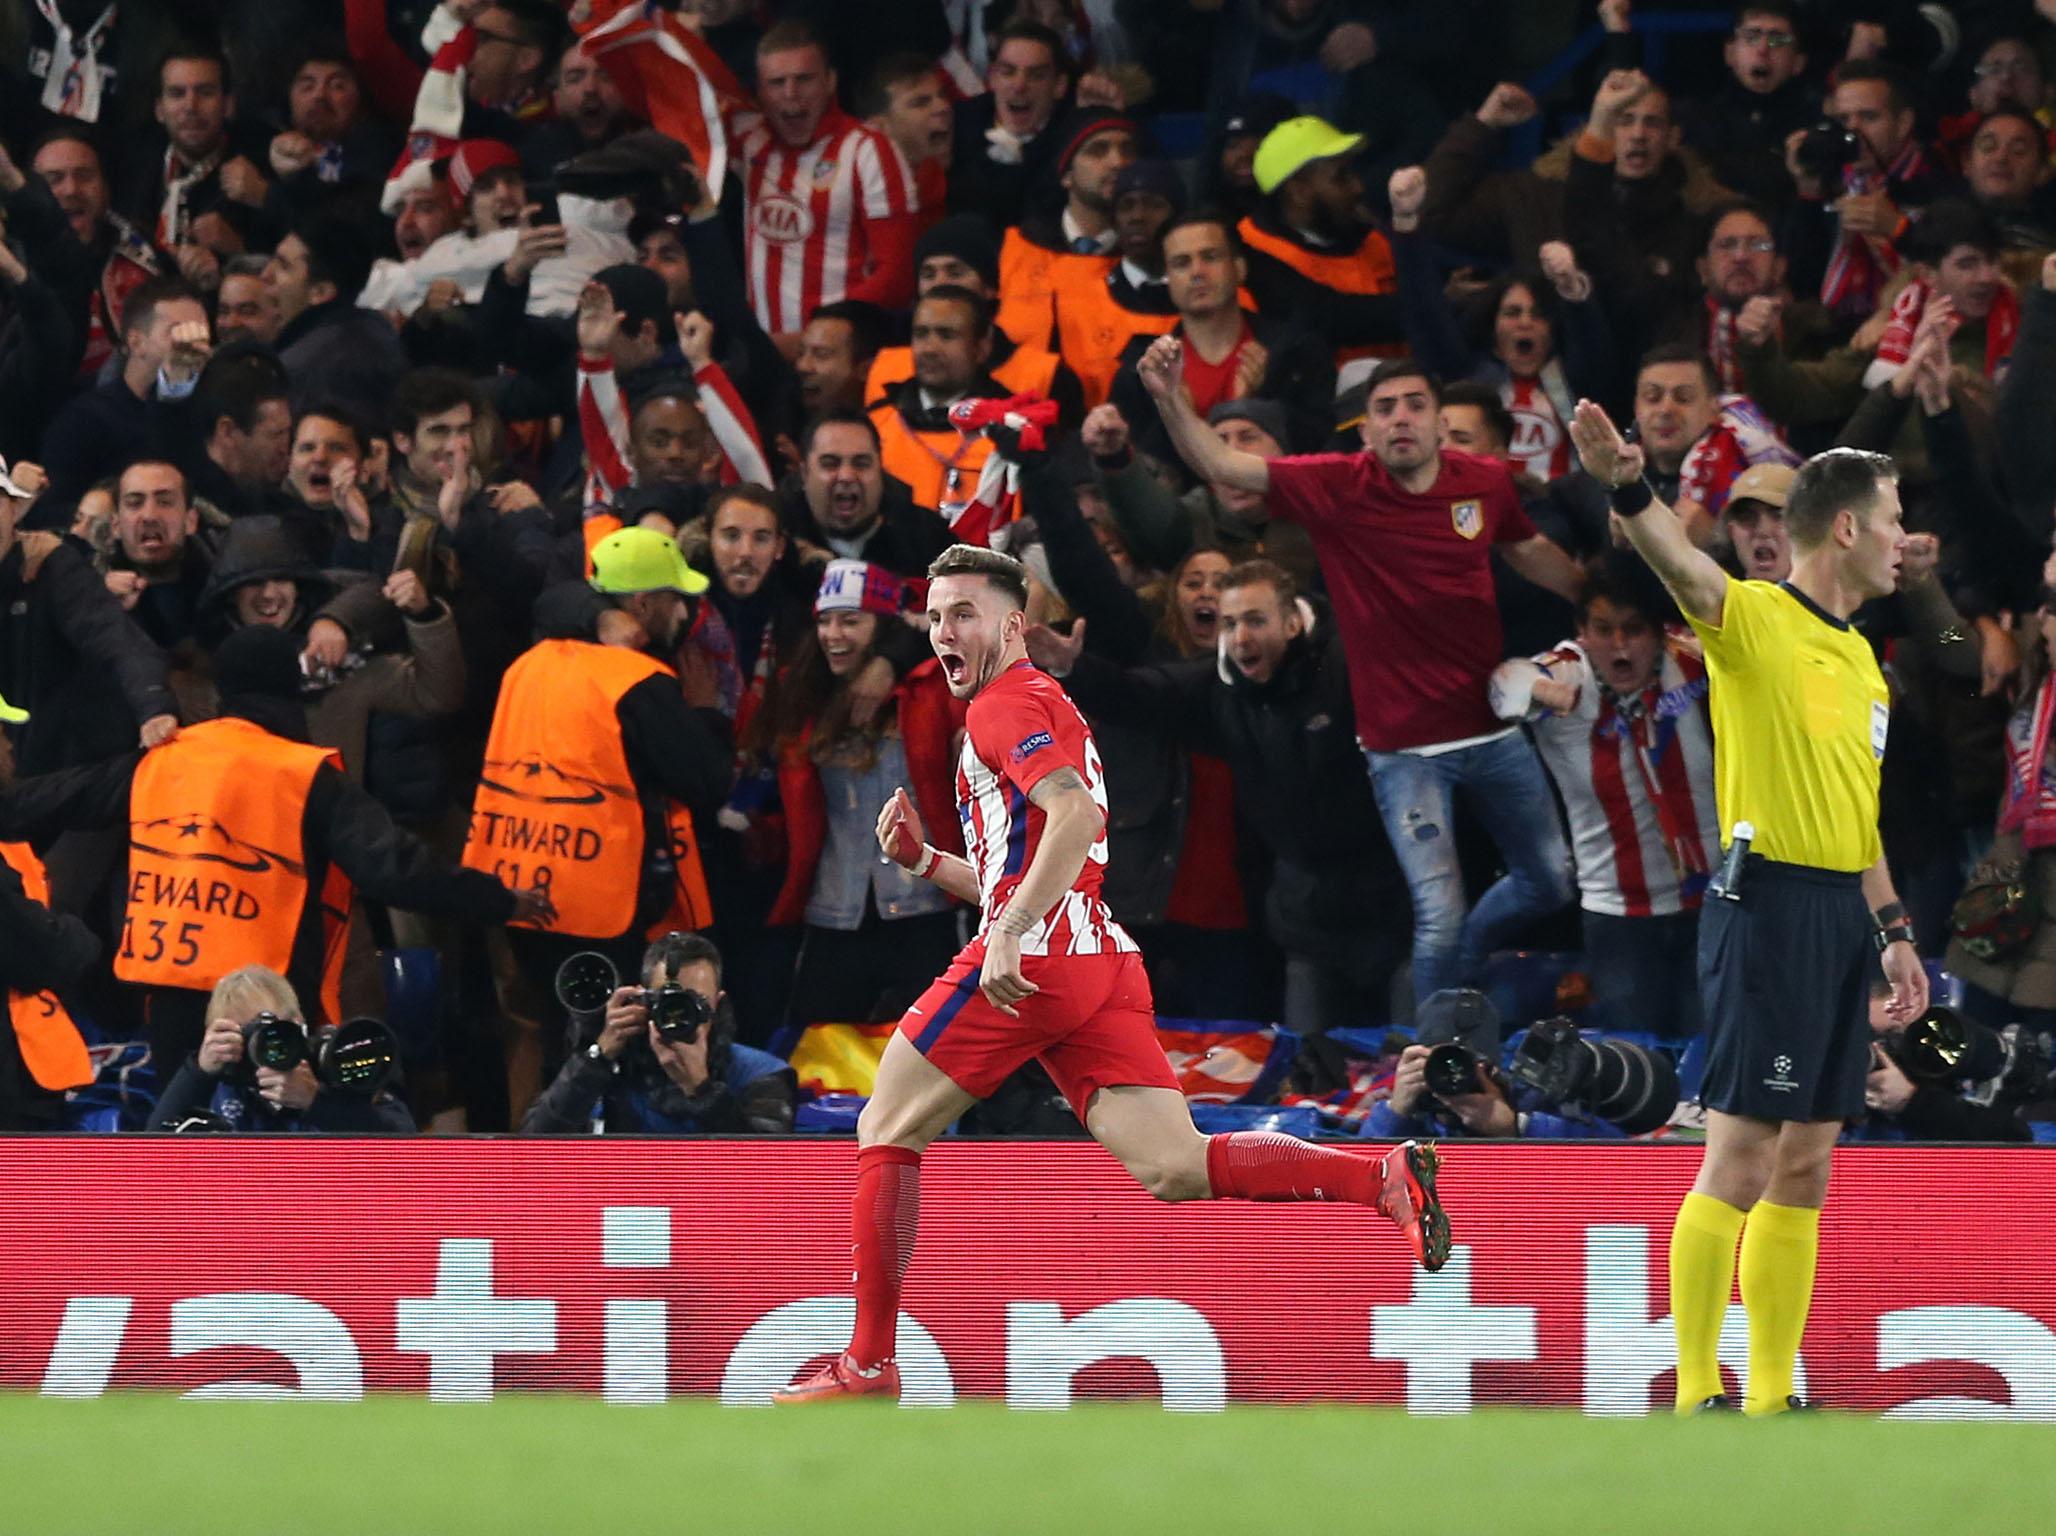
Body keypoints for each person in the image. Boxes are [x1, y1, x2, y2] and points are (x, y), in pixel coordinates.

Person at [772, 544, 1450, 1404]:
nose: (944, 631)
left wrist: (1011, 931)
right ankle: (1376, 1176)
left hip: (1038, 955)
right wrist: (933, 862)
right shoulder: (1044, 702)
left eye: (965, 614)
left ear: (1015, 625)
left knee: (887, 1125)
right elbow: (1041, 855)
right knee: (1174, 1165)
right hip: (1095, 956)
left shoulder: (1001, 703)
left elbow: (1075, 813)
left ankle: (866, 1366)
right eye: (935, 616)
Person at [1568, 406, 1927, 1416]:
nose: (1905, 538)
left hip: (1834, 917)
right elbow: (1684, 570)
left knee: (1807, 1159)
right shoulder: (1756, 618)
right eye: (1893, 517)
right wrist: (1629, 487)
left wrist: (1892, 929)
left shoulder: (1862, 660)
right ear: (1848, 528)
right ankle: (1692, 1392)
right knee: (1742, 1152)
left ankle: (1770, 1398)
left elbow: (1855, 812)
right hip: (1762, 906)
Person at [1141, 347, 1579, 1004]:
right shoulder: (1340, 484)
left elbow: (1528, 549)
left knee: (1551, 881)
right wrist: (1171, 398)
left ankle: (1466, 958)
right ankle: (1434, 1060)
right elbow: (1219, 464)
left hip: (1490, 725)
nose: (1400, 419)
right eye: (1384, 409)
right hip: (1403, 750)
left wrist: (1598, 600)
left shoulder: (1483, 482)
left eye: (1414, 405)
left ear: (1437, 421)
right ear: (1366, 429)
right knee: (1438, 916)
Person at [0, 624, 547, 1070]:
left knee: (185, 1157)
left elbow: (39, 802)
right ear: (290, 691)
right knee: (272, 1168)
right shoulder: (303, 775)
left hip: (172, 999)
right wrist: (501, 900)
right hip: (268, 1002)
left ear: (221, 693)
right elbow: (399, 871)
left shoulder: (161, 760)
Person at [1490, 552, 1718, 1039]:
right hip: (1618, 916)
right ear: (1582, 631)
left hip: (1711, 905)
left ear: (1659, 631)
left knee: (1709, 1056)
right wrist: (1541, 691)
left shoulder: (1696, 665)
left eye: (1634, 629)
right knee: (1636, 1065)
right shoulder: (1568, 672)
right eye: (1604, 629)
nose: (1619, 646)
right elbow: (1505, 683)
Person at [759, 560, 965, 1028]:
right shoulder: (802, 694)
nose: (835, 634)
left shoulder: (930, 688)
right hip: (834, 911)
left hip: (926, 907)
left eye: (851, 620)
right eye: (826, 620)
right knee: (820, 1054)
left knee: (941, 1057)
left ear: (883, 627)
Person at [521, 931, 796, 1134]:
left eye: (695, 1001)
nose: (680, 1012)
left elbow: (765, 1175)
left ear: (718, 1003)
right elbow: (534, 1148)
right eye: (669, 999)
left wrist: (703, 1091)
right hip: (628, 1203)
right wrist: (597, 1058)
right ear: (645, 1001)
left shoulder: (761, 1074)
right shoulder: (614, 1067)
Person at [147, 964, 415, 1133]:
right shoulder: (217, 1081)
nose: (262, 1049)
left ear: (299, 1024)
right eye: (245, 1034)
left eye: (271, 1032)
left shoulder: (333, 1065)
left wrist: (315, 1102)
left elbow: (406, 1143)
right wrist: (197, 1072)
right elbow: (149, 1153)